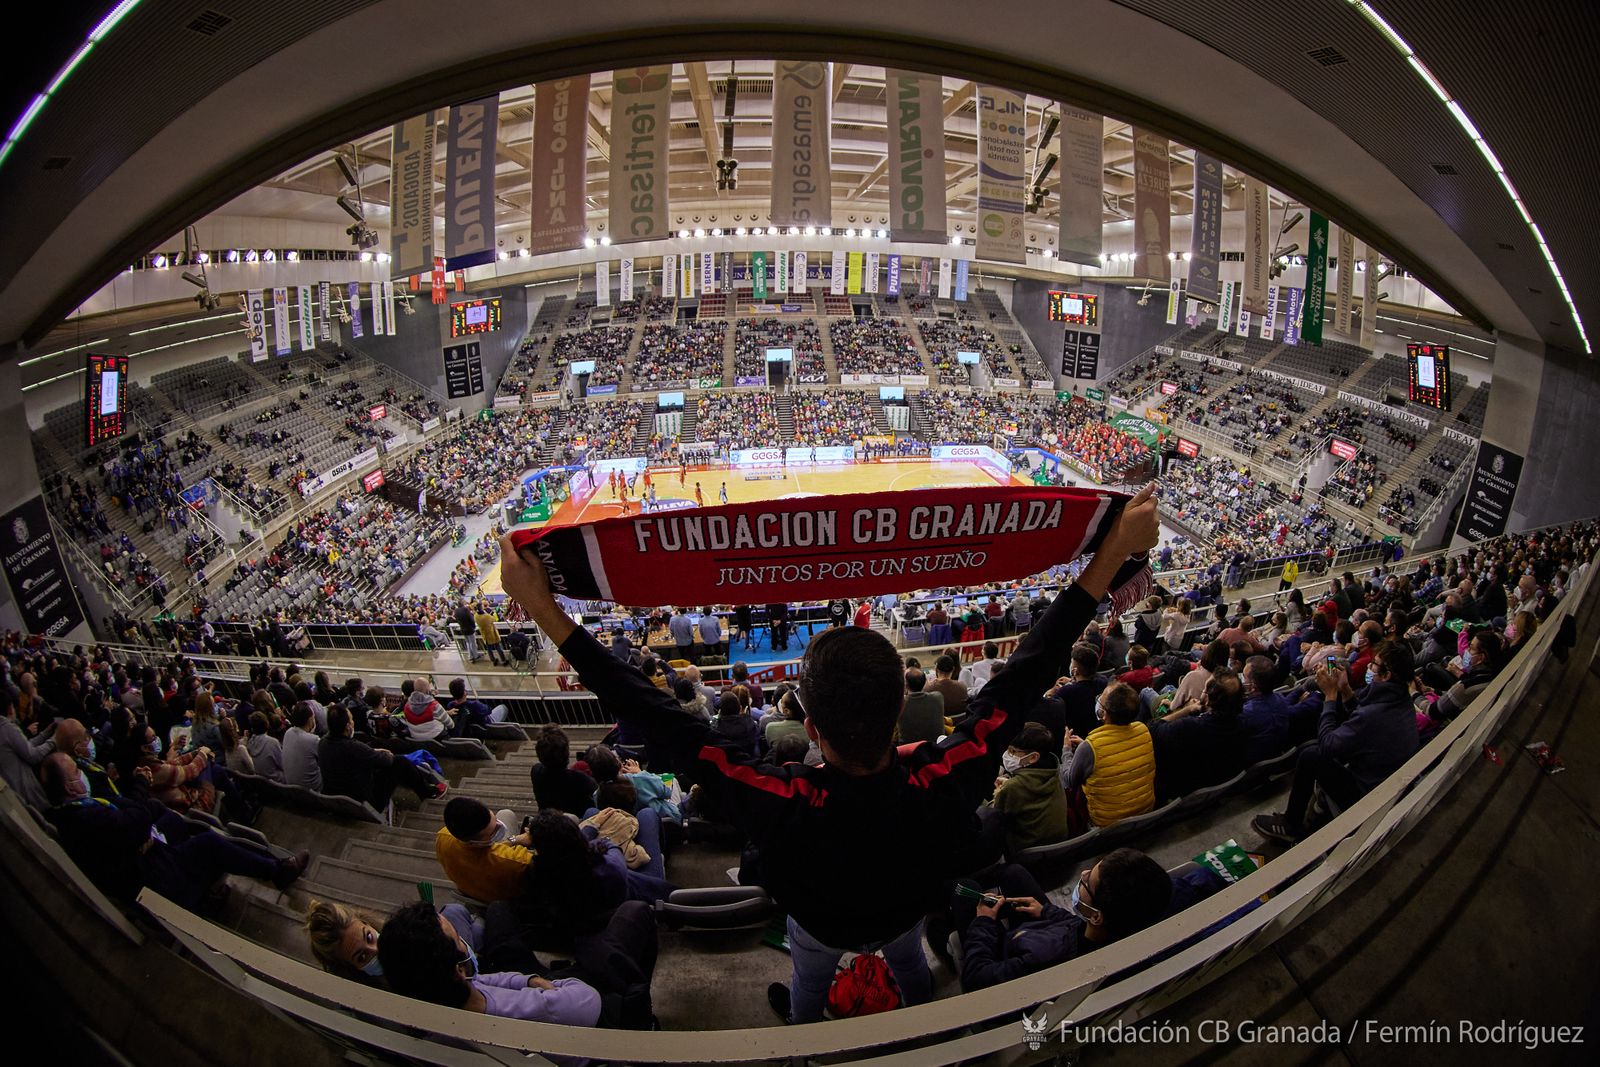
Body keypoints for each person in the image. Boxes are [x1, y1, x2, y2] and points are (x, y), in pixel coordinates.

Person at [493, 480, 1161, 1025]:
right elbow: (1029, 669)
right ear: (902, 711)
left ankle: (809, 1034)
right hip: (904, 917)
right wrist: (1109, 559)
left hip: (817, 925)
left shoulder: (777, 797)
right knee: (910, 967)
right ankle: (918, 1012)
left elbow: (658, 718)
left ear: (809, 727)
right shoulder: (950, 773)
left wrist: (549, 614)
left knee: (809, 981)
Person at [41, 752, 308, 913]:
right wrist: (139, 824)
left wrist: (141, 828)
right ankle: (276, 871)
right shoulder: (84, 819)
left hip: (150, 856)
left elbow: (136, 812)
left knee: (173, 821)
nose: (83, 771)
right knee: (209, 842)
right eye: (77, 771)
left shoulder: (78, 810)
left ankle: (216, 884)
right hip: (155, 882)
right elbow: (133, 818)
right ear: (70, 785)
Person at [1252, 641, 1421, 843]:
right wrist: (1346, 690)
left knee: (1310, 755)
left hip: (1367, 794)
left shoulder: (1375, 714)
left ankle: (1291, 824)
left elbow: (1329, 745)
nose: (1368, 667)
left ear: (1386, 675)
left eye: (1374, 665)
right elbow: (1363, 718)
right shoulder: (1400, 700)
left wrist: (1331, 696)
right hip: (1384, 781)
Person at [951, 849, 1172, 992]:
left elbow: (976, 980)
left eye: (1088, 882)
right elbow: (1077, 929)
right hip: (1048, 935)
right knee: (1013, 873)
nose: (1083, 873)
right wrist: (1046, 911)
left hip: (1015, 952)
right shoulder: (1123, 934)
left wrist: (984, 923)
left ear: (1096, 915)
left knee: (964, 892)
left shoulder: (1046, 956)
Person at [377, 901, 603, 1026]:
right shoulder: (537, 1012)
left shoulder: (445, 999)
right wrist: (554, 985)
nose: (466, 943)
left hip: (534, 987)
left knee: (498, 909)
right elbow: (589, 999)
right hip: (581, 1011)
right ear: (459, 969)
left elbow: (482, 980)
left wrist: (530, 979)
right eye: (458, 938)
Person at [1060, 682, 1156, 829]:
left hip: (1108, 825)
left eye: (1101, 701)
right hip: (1146, 812)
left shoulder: (1091, 746)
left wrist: (1066, 749)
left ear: (1103, 713)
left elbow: (1069, 780)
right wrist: (1086, 747)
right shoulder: (1143, 729)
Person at [1148, 668, 1251, 801]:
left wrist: (1185, 710)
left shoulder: (1188, 727)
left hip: (1185, 791)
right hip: (1217, 786)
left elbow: (1152, 729)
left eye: (1204, 689)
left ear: (1207, 699)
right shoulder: (1243, 722)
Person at [320, 705, 446, 809]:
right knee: (400, 762)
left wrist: (372, 751)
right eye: (351, 719)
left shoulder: (322, 743)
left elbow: (352, 756)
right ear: (348, 726)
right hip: (366, 802)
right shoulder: (354, 747)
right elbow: (387, 760)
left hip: (339, 798)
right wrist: (380, 753)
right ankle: (429, 793)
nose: (353, 722)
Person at [979, 723, 1068, 854]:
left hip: (1026, 853)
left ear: (1033, 757)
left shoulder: (1012, 788)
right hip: (1058, 848)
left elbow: (989, 817)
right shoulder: (1054, 770)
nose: (1007, 755)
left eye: (1012, 752)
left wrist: (977, 795)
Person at [435, 797, 534, 902]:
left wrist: (516, 839)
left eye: (495, 820)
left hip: (469, 888)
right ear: (476, 842)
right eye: (493, 832)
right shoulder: (515, 861)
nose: (500, 827)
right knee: (506, 814)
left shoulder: (443, 836)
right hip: (503, 898)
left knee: (505, 814)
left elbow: (486, 848)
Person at [0, 687, 54, 808]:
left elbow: (24, 746)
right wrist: (54, 741)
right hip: (26, 793)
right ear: (10, 709)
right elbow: (32, 755)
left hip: (13, 796)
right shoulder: (6, 727)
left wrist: (44, 734)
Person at [529, 724, 597, 815]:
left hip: (547, 819)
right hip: (575, 823)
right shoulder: (582, 780)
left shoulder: (536, 771)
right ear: (567, 753)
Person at [282, 700, 323, 792]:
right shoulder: (313, 740)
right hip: (312, 789)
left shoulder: (288, 733)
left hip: (291, 787)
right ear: (310, 720)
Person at [897, 668, 945, 744]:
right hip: (936, 747)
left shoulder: (899, 704)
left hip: (909, 752)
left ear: (905, 685)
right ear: (925, 681)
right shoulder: (938, 698)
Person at [244, 711, 285, 781]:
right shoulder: (272, 742)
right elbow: (283, 765)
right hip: (278, 782)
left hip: (264, 784)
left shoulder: (250, 743)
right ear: (266, 724)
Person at [926, 654, 968, 721]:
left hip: (939, 728)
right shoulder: (962, 687)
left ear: (936, 669)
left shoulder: (928, 689)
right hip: (959, 727)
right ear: (953, 669)